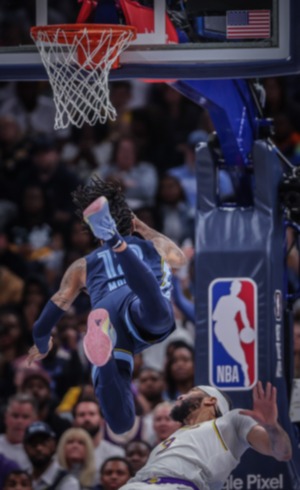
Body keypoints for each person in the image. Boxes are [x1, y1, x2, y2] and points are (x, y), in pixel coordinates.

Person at [27, 177, 186, 435]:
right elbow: (179, 259)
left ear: (92, 232)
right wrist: (140, 226)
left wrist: (42, 343)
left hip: (109, 323)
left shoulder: (82, 265)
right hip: (136, 306)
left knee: (121, 422)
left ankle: (104, 359)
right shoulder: (152, 245)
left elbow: (46, 318)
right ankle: (117, 241)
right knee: (159, 314)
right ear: (129, 221)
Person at [118, 381, 292, 490]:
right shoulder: (175, 435)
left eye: (191, 391)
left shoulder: (230, 421)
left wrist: (271, 426)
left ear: (211, 400)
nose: (181, 396)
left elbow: (281, 452)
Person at [72, 398, 125, 484]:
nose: (87, 419)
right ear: (74, 421)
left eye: (92, 414)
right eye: (81, 415)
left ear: (102, 420)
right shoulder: (64, 455)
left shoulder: (116, 454)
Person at [23, 421, 80, 490]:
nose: (39, 448)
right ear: (25, 448)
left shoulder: (68, 482)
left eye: (44, 442)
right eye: (33, 443)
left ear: (54, 445)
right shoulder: (21, 478)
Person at [0, 394, 37, 471]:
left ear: (34, 420)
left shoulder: (38, 452)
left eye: (25, 417)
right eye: (15, 416)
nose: (19, 421)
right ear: (5, 417)